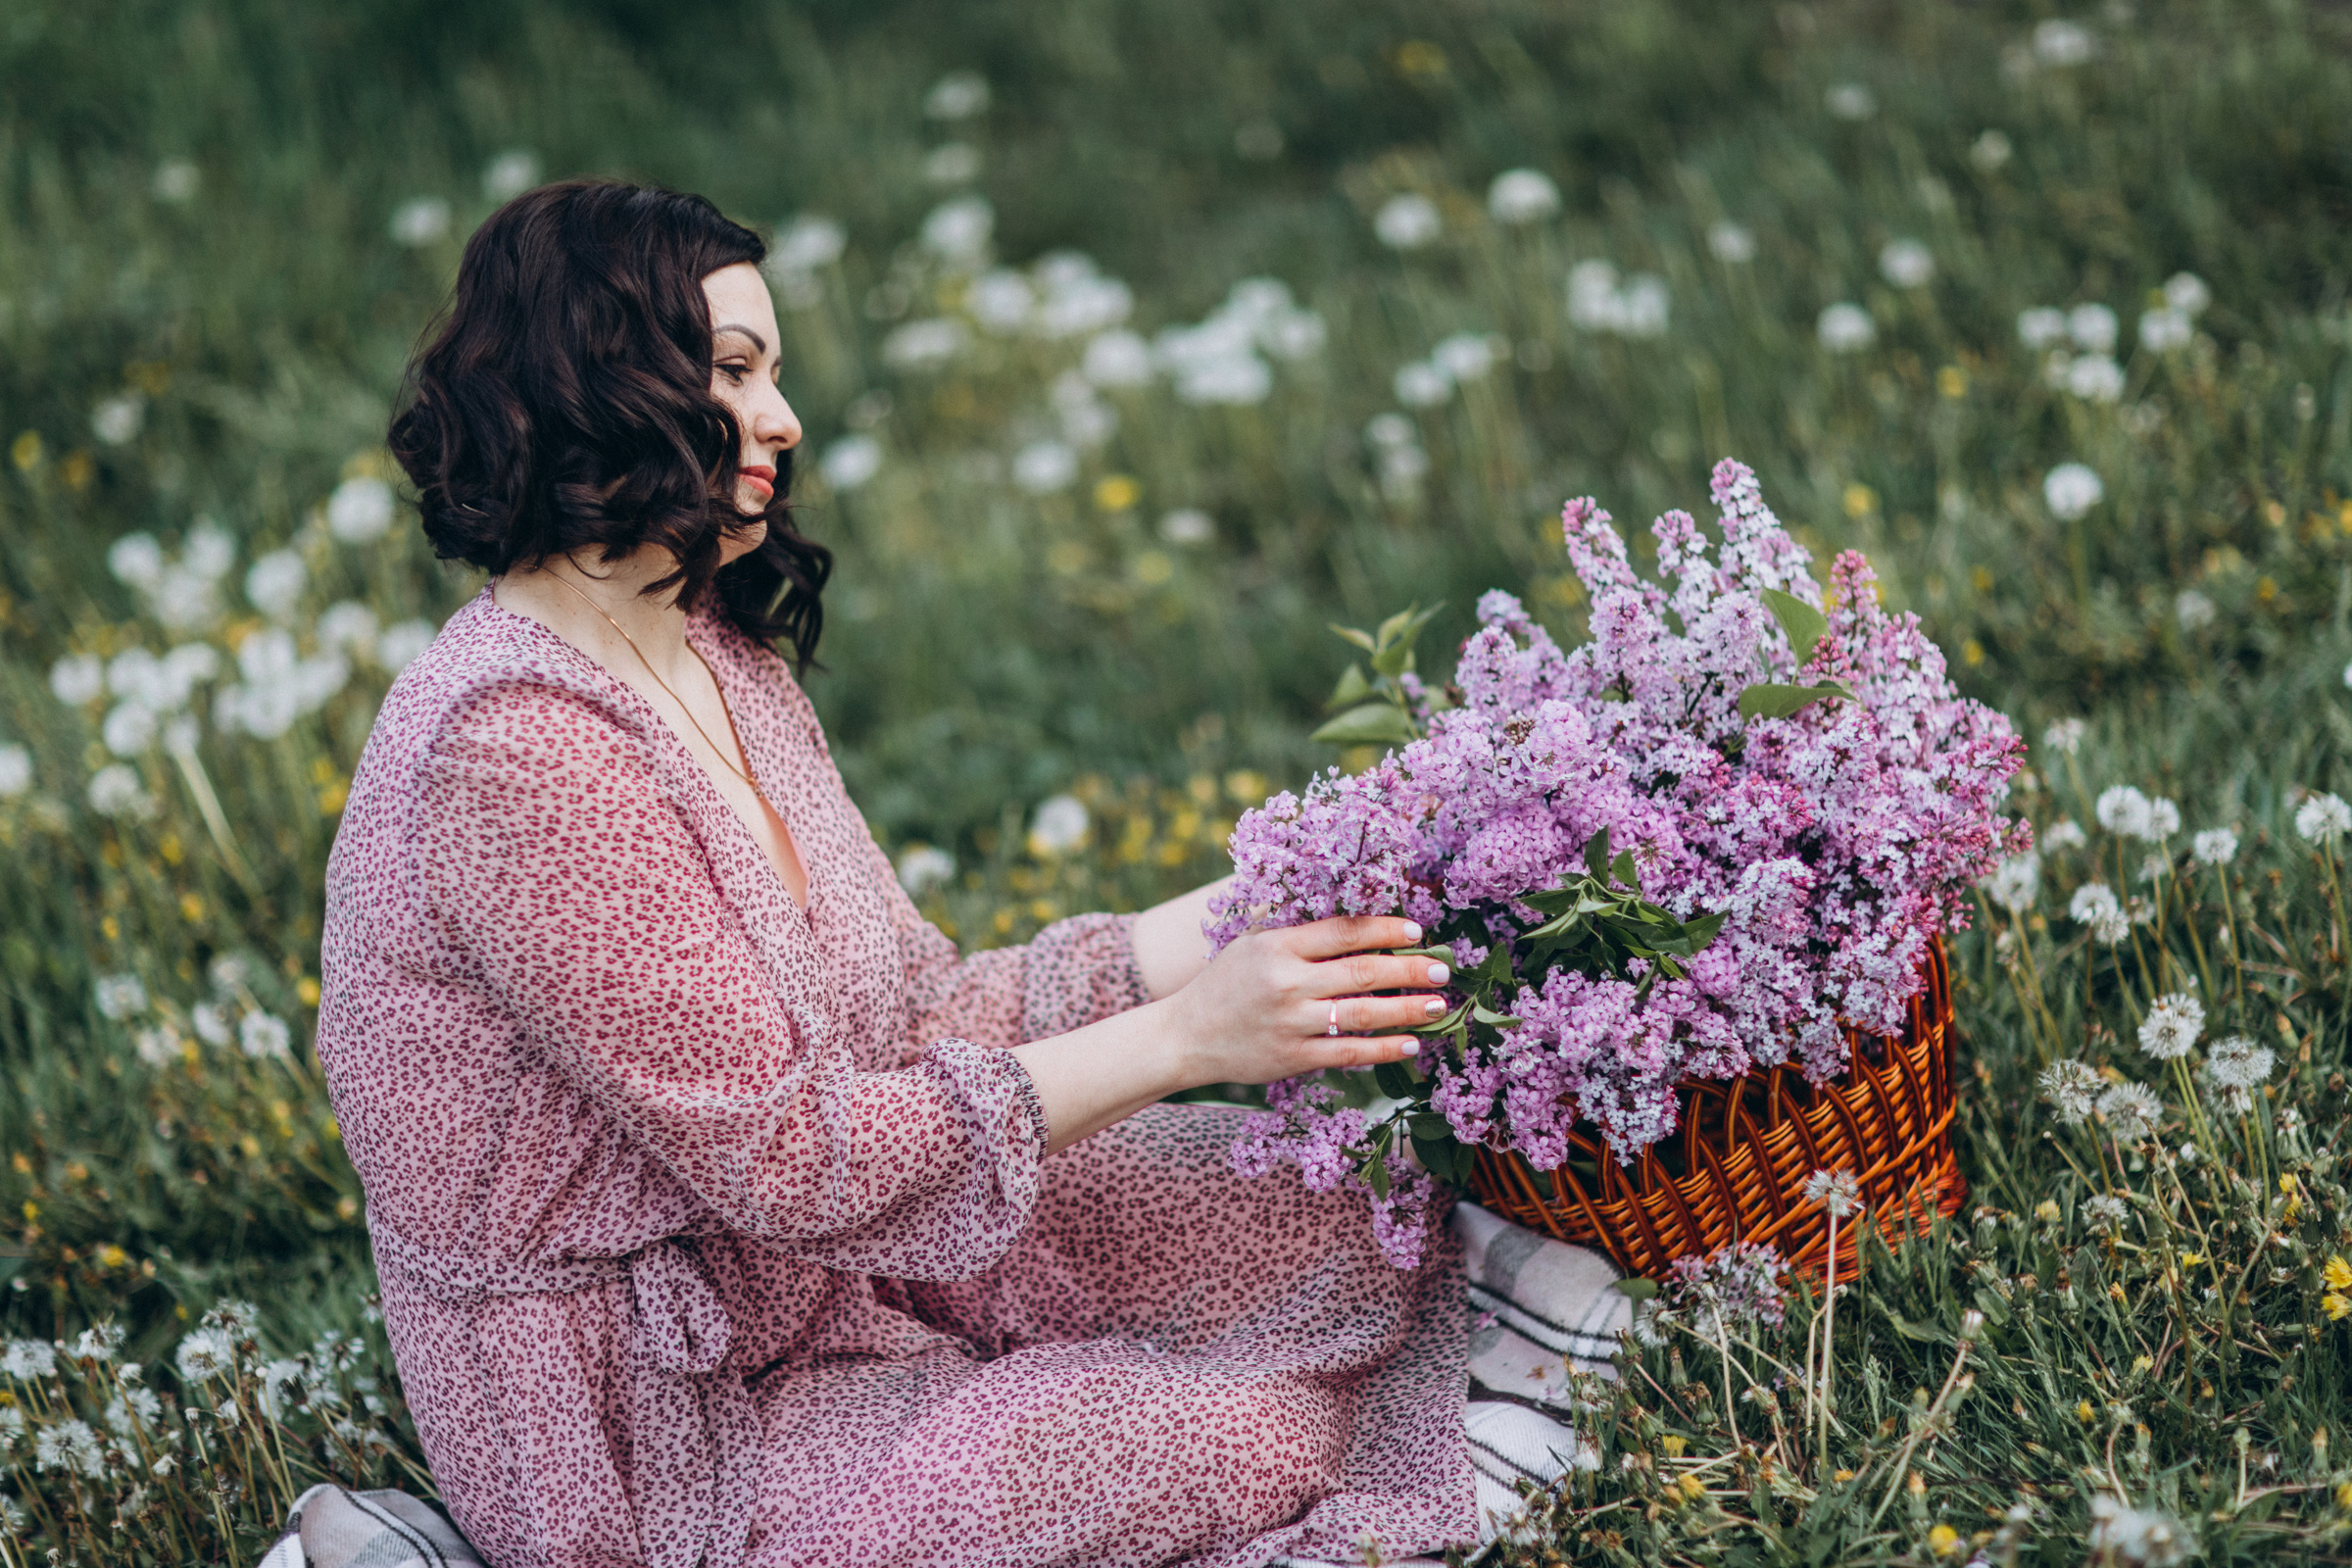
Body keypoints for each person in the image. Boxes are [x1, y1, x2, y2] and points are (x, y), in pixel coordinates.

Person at [320, 179, 1489, 1568]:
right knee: (1230, 1441)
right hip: (655, 1419)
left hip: (839, 1260)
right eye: (737, 372)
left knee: (1364, 1224)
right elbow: (797, 1159)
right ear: (599, 385)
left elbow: (914, 1014)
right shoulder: (515, 751)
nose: (785, 417)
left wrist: (1270, 900)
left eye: (776, 372)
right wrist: (1187, 1037)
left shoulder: (712, 654)